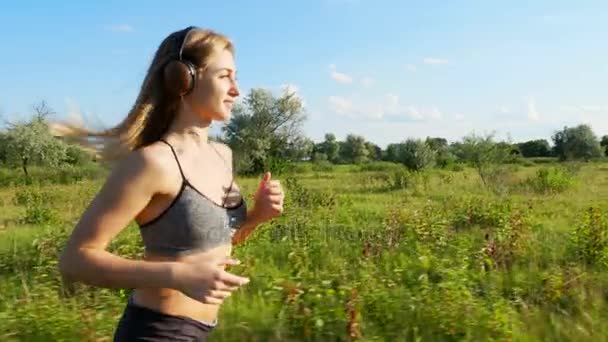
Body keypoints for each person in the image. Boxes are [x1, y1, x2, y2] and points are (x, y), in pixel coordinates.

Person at [53, 26, 285, 341]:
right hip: (156, 332)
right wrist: (176, 275)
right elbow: (75, 259)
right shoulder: (153, 163)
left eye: (236, 77)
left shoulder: (222, 155)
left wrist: (257, 217)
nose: (237, 90)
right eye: (225, 76)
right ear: (182, 78)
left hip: (201, 332)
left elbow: (209, 243)